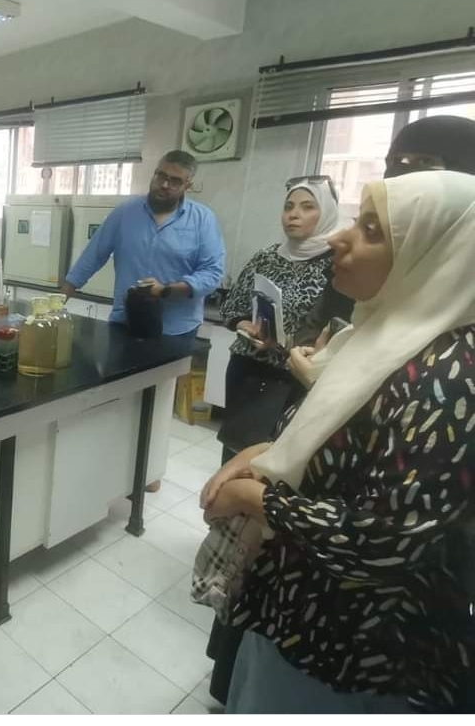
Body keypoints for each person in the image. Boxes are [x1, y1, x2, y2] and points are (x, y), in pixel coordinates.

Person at [200, 171, 475, 713]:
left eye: (371, 229)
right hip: (292, 604)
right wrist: (263, 453)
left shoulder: (453, 377)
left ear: (435, 255)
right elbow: (343, 438)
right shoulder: (382, 330)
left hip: (352, 646)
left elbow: (387, 542)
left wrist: (257, 498)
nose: (338, 237)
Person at [205, 175, 344, 704]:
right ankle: (223, 553)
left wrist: (284, 346)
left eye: (307, 207)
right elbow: (233, 306)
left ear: (325, 214)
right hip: (249, 372)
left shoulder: (336, 264)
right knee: (233, 460)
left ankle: (250, 560)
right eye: (289, 206)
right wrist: (246, 324)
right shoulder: (266, 255)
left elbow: (332, 337)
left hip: (291, 381)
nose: (294, 215)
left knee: (270, 474)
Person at [291, 114, 475, 357]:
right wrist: (319, 356)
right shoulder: (359, 260)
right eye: (395, 161)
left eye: (424, 161)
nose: (401, 171)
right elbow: (320, 320)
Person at [62, 149, 226, 338]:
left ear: (187, 185)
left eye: (175, 181)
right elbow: (91, 258)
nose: (164, 185)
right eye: (161, 176)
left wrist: (166, 290)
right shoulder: (124, 214)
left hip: (175, 330)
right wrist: (56, 303)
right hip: (125, 323)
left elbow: (212, 273)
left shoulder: (202, 219)